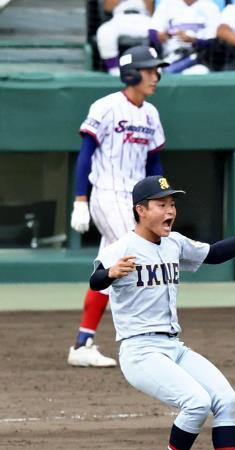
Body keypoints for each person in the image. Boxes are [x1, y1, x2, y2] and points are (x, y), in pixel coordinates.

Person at [90, 176, 235, 450]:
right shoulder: (121, 248)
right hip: (140, 351)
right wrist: (111, 273)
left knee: (227, 400)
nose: (170, 210)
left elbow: (214, 254)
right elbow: (95, 279)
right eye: (161, 204)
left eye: (172, 204)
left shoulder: (173, 243)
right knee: (196, 402)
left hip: (173, 346)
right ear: (141, 210)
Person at [68, 46, 168, 368]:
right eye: (149, 69)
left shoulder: (151, 113)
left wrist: (162, 201)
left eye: (156, 69)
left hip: (136, 199)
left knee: (109, 266)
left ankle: (83, 343)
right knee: (138, 257)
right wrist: (80, 199)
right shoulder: (106, 106)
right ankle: (147, 338)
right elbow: (85, 154)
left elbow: (154, 161)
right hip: (108, 194)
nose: (155, 75)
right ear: (131, 74)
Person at [149, 0, 221, 74]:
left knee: (199, 71)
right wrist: (164, 35)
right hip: (171, 55)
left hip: (199, 57)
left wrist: (194, 41)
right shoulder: (167, 4)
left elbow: (215, 42)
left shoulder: (210, 6)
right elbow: (152, 34)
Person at [96, 0, 155, 74]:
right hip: (120, 17)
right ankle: (113, 70)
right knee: (104, 31)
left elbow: (151, 12)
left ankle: (159, 67)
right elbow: (108, 8)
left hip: (142, 18)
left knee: (157, 31)